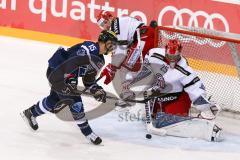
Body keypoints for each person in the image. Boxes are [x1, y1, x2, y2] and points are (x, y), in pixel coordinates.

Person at [21, 30, 118, 145]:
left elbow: (88, 80)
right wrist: (70, 79)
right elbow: (70, 62)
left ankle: (31, 113)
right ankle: (87, 132)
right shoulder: (89, 48)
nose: (112, 48)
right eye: (111, 44)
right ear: (104, 41)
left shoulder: (100, 61)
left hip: (67, 77)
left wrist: (96, 90)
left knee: (55, 99)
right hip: (57, 71)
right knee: (75, 102)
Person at [128, 39, 223, 141]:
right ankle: (155, 111)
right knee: (137, 114)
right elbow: (146, 65)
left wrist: (206, 108)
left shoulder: (184, 70)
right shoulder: (154, 54)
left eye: (175, 57)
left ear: (180, 53)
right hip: (158, 97)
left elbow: (196, 90)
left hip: (177, 98)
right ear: (165, 51)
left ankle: (206, 129)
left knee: (168, 122)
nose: (172, 59)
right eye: (170, 56)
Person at [97, 11, 158, 107]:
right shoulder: (120, 23)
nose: (104, 27)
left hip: (144, 38)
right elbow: (121, 52)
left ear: (110, 18)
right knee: (130, 67)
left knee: (124, 69)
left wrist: (111, 68)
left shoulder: (115, 24)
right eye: (101, 25)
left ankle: (128, 95)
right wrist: (112, 67)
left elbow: (121, 53)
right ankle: (153, 90)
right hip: (145, 37)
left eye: (104, 23)